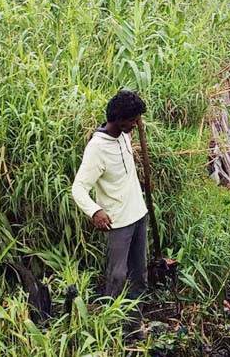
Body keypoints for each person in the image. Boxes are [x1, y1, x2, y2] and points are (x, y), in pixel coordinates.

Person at [71, 90, 150, 306]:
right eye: (133, 120)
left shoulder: (124, 135)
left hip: (139, 214)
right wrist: (95, 211)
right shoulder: (96, 149)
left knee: (139, 274)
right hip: (118, 222)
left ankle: (135, 323)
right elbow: (78, 188)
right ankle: (111, 325)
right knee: (117, 276)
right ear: (119, 120)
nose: (137, 124)